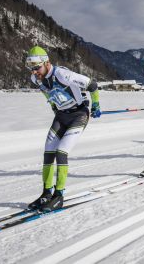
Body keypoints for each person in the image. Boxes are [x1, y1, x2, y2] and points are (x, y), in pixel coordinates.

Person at [26, 46, 101, 212]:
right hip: (61, 116)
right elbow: (45, 91)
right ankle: (46, 193)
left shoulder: (62, 74)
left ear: (47, 63)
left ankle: (59, 195)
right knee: (48, 152)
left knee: (61, 152)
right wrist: (53, 105)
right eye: (31, 68)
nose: (34, 71)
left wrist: (95, 105)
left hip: (78, 115)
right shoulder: (35, 78)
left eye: (37, 67)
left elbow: (92, 85)